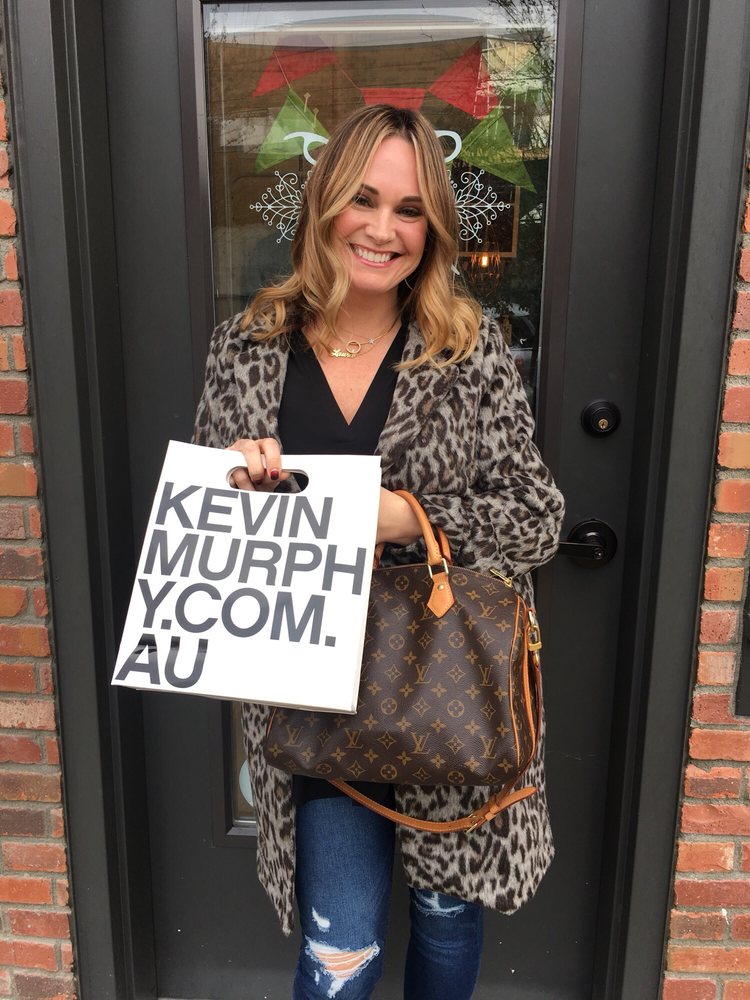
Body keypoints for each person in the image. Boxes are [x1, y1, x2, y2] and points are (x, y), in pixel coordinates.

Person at [193, 104, 564, 1000]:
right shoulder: (249, 347)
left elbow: (537, 518)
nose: (383, 229)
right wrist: (231, 482)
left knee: (445, 911)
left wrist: (407, 518)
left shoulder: (467, 349)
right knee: (340, 947)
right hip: (310, 693)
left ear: (432, 229)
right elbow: (203, 530)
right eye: (364, 199)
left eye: (409, 210)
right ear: (326, 202)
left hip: (445, 682)